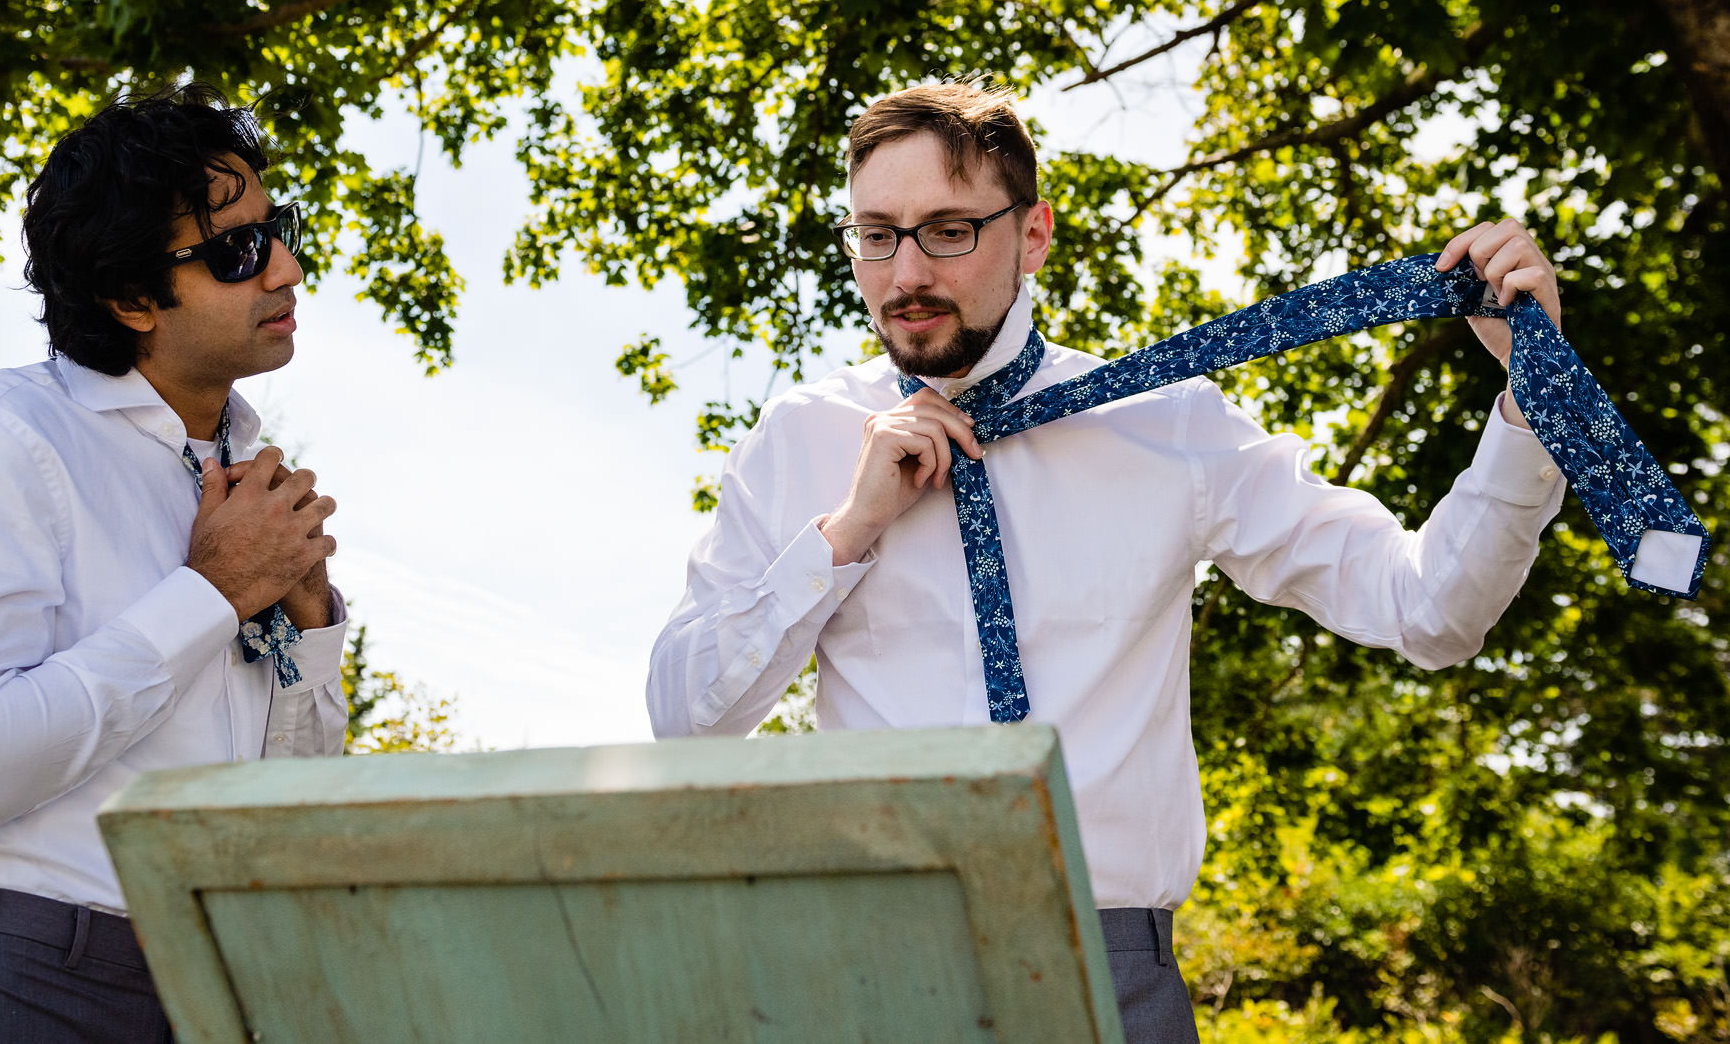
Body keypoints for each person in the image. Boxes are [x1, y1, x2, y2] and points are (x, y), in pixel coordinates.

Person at [645, 81, 1569, 1041]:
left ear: (1034, 233)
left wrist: (1528, 392)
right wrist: (846, 530)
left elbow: (1431, 610)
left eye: (948, 231)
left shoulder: (1168, 422)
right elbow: (684, 715)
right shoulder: (802, 438)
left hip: (1109, 975)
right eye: (877, 235)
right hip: (865, 968)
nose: (905, 271)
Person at [0, 86, 349, 1042]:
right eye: (237, 250)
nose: (288, 268)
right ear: (130, 296)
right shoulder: (2, 433)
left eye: (281, 229)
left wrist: (311, 630)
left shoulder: (240, 485)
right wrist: (209, 596)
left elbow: (273, 818)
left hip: (191, 991)